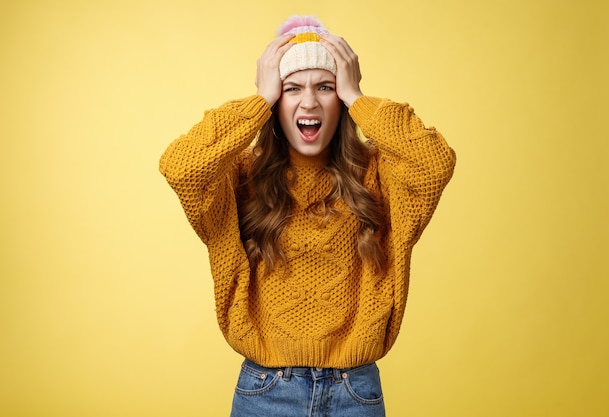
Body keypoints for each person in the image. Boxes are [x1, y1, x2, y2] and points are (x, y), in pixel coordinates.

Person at [159, 15, 456, 417]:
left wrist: (359, 97)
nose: (310, 102)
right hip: (265, 391)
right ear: (275, 98)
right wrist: (258, 102)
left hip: (356, 391)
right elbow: (180, 165)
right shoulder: (241, 176)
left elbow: (435, 162)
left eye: (327, 87)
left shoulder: (378, 175)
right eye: (291, 88)